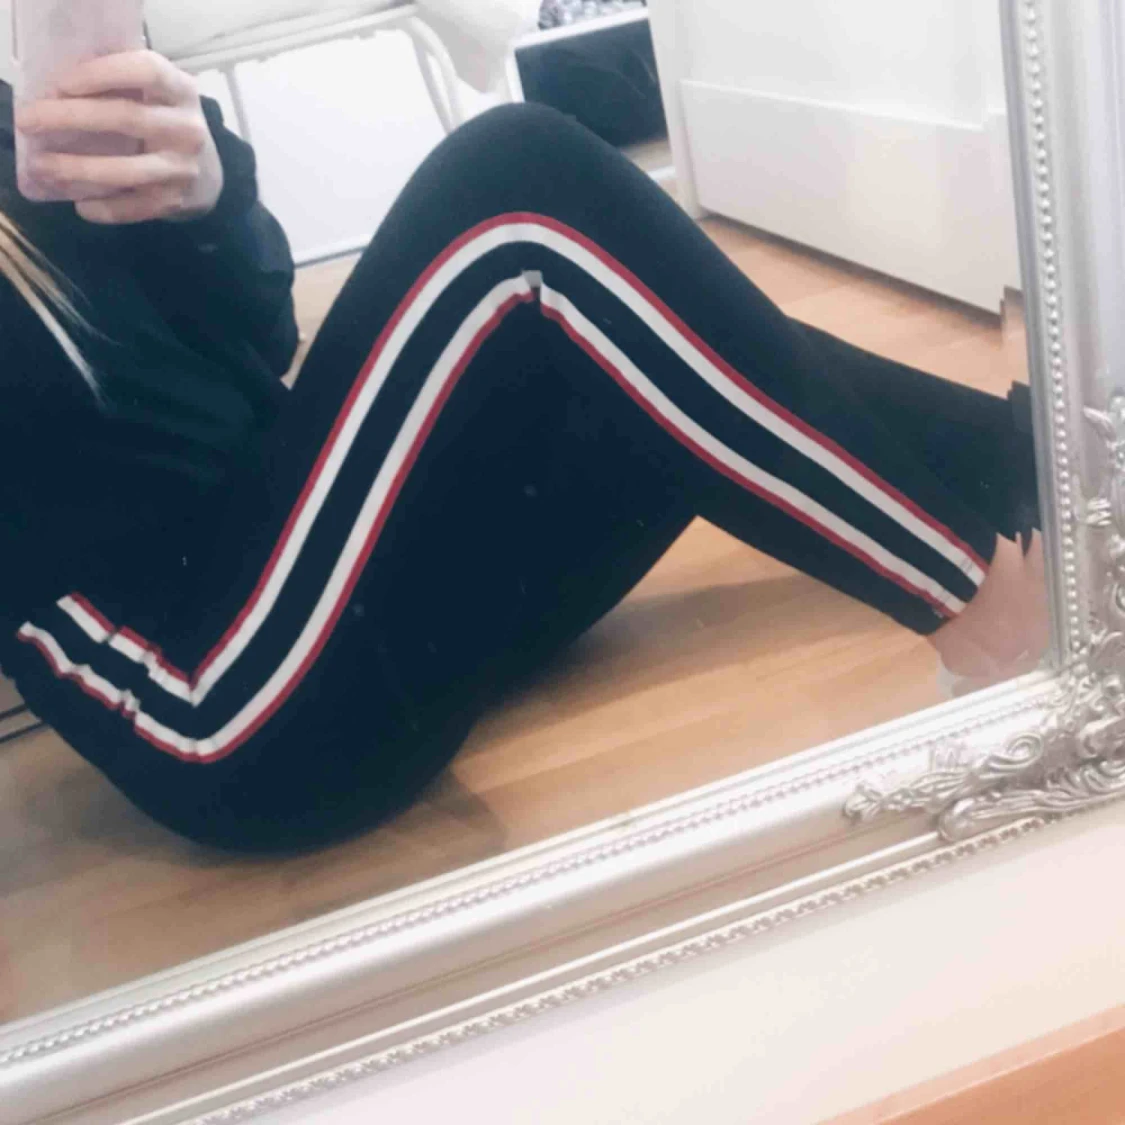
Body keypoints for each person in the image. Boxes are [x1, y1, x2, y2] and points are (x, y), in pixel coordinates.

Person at [0, 51, 1046, 852]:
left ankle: (1048, 470)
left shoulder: (29, 115)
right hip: (215, 699)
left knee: (629, 335)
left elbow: (260, 338)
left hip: (312, 573)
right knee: (514, 189)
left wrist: (208, 201)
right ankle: (1001, 629)